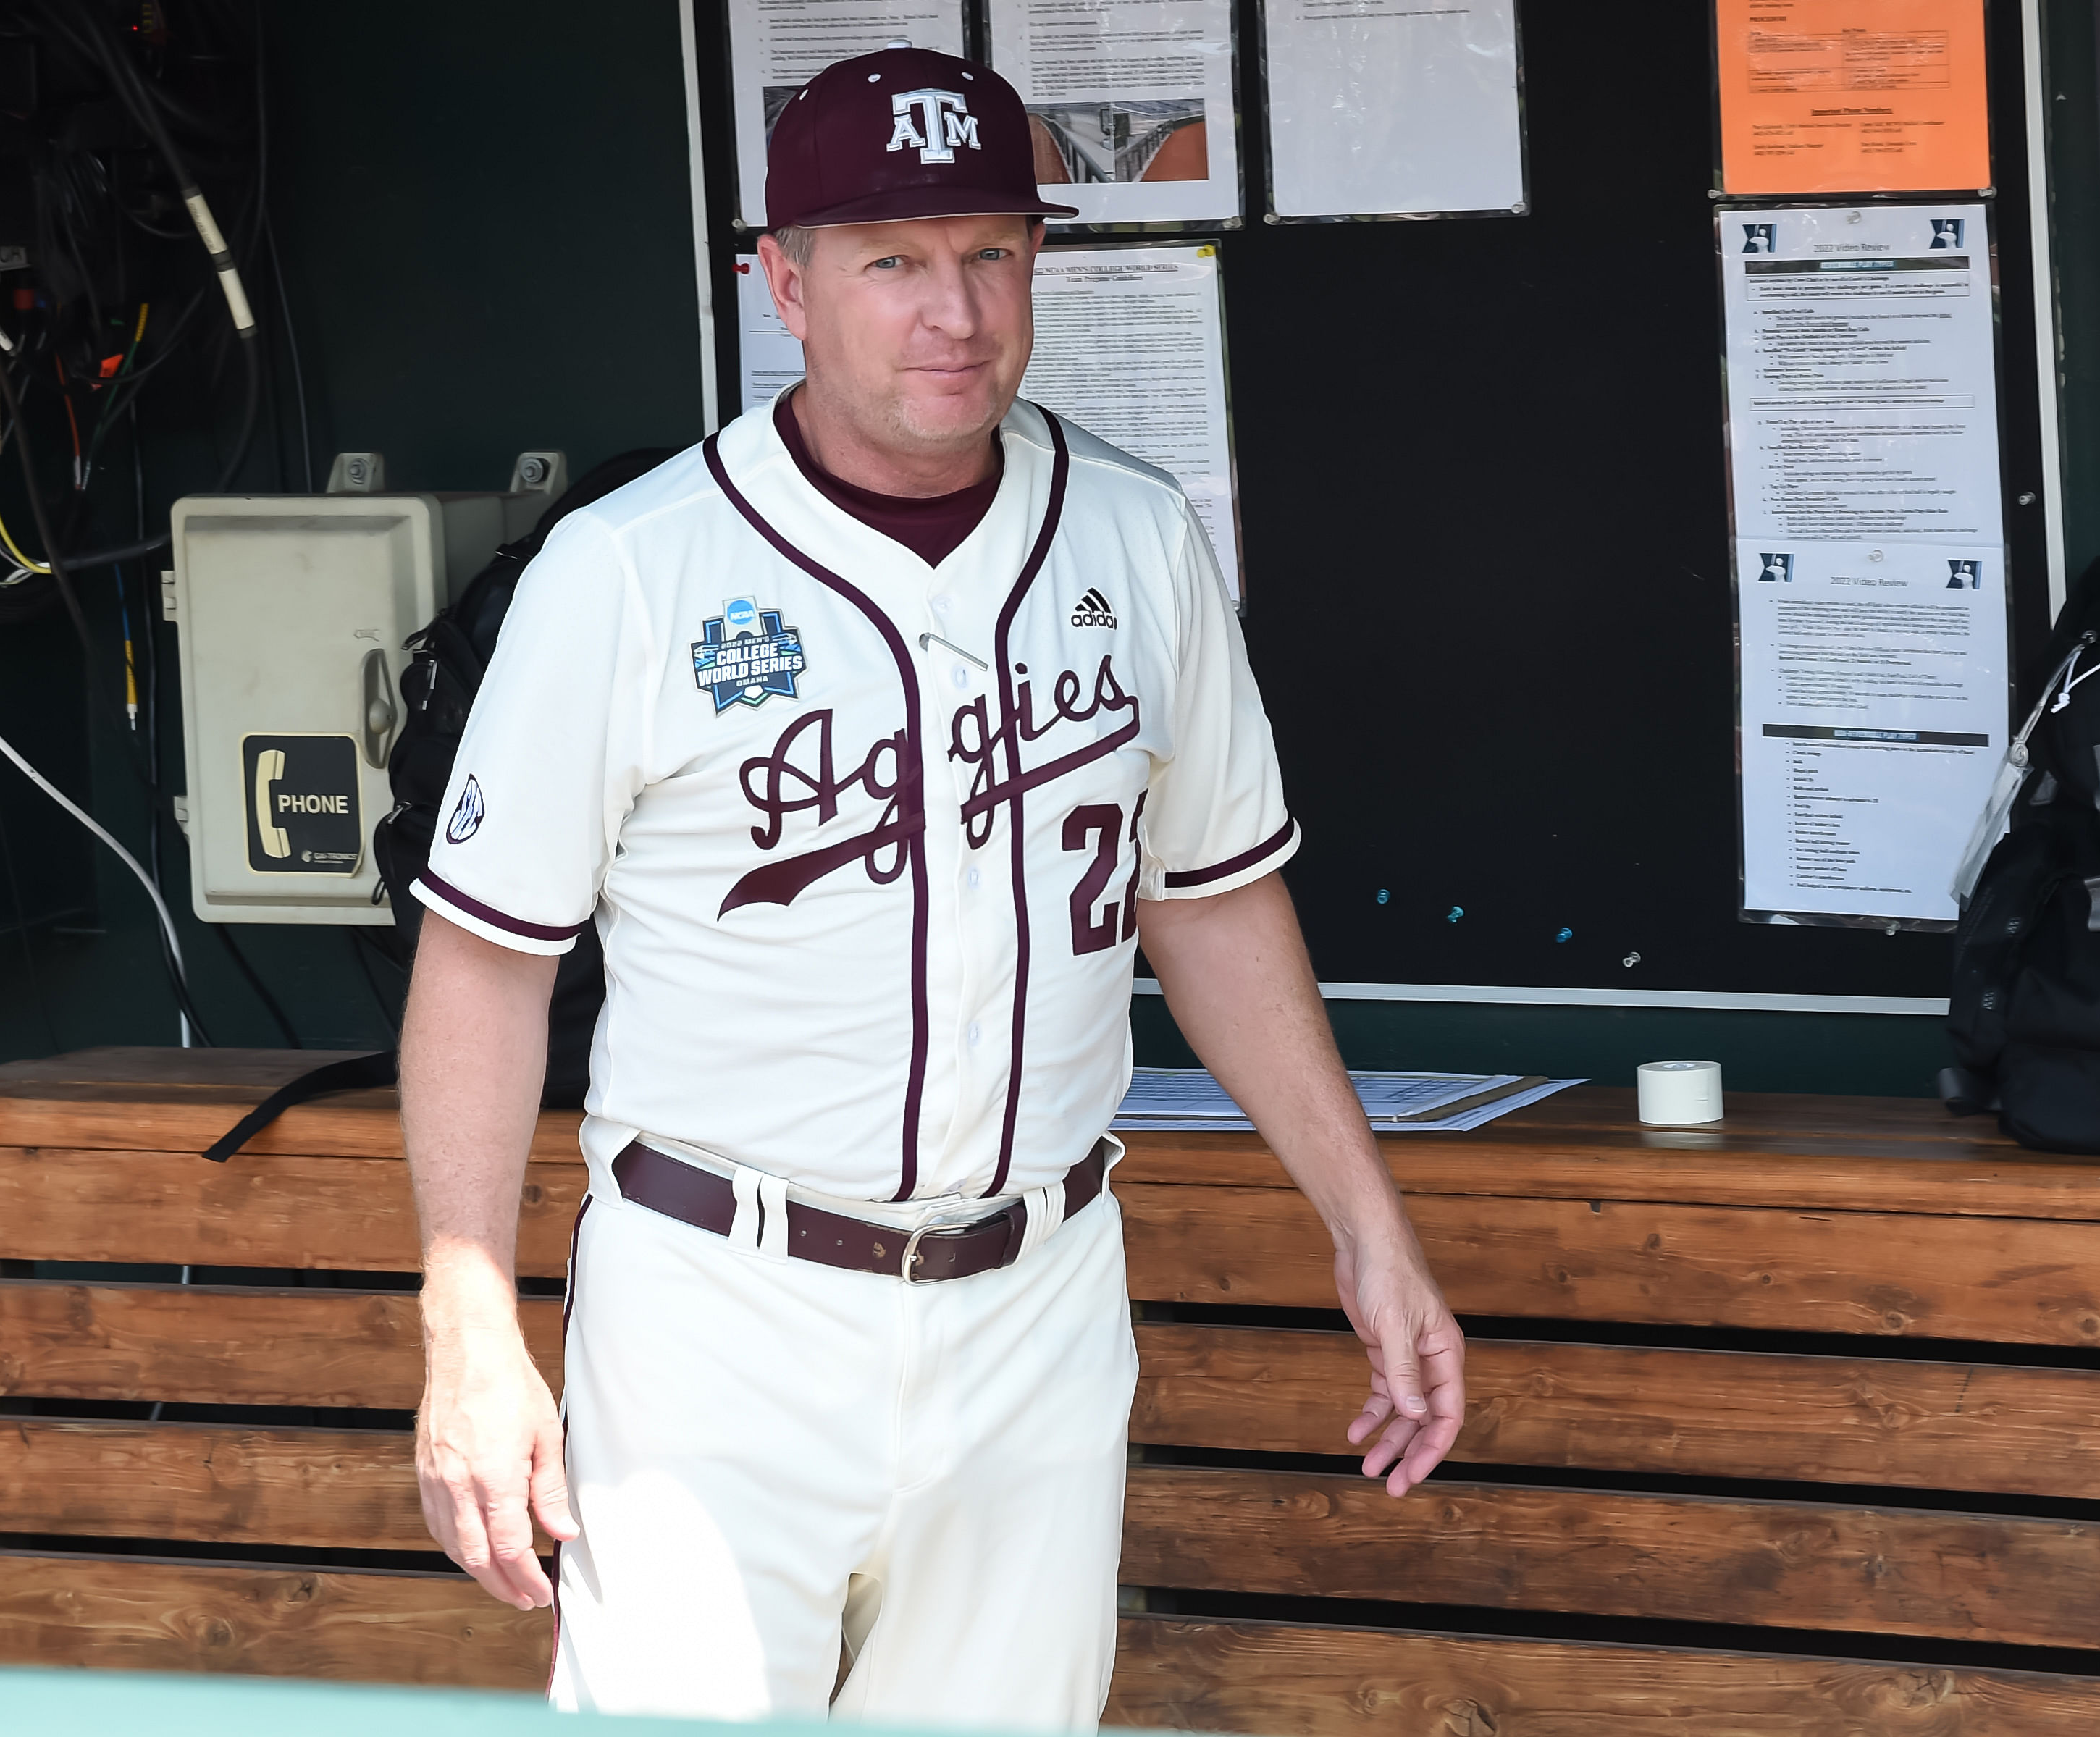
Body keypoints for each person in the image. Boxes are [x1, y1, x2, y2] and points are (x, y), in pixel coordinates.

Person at [398, 42, 1465, 1728]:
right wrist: (470, 1316)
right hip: (718, 1305)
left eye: (988, 251)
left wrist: (1367, 1222)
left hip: (1035, 1300)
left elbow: (1207, 901)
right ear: (787, 285)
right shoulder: (629, 569)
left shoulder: (1132, 535)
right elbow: (484, 961)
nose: (951, 309)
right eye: (891, 260)